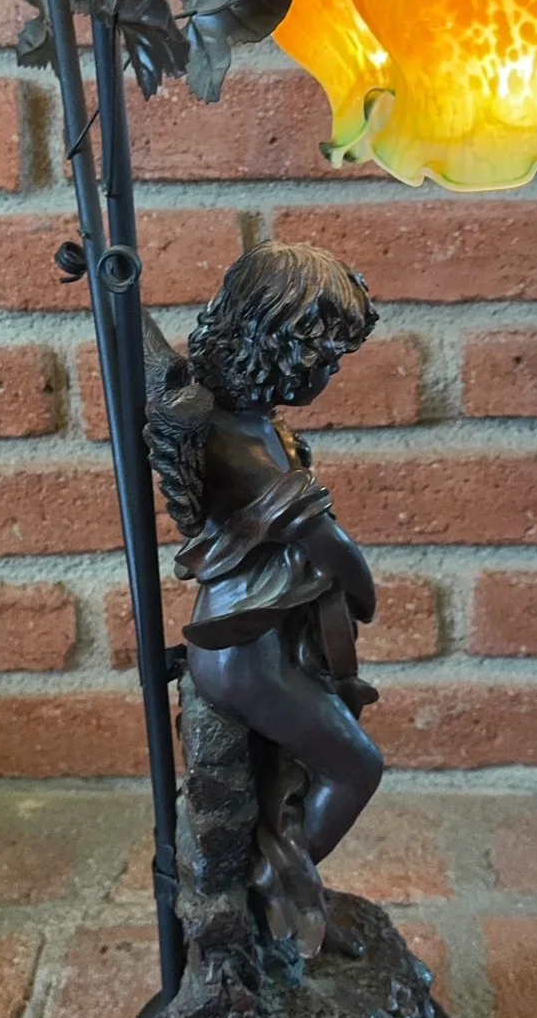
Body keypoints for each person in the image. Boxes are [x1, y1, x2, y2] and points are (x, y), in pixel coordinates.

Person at [145, 242, 384, 956]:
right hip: (245, 659)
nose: (331, 374)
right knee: (355, 767)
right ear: (275, 346)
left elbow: (144, 345)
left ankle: (286, 892)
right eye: (325, 358)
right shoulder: (237, 445)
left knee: (312, 762)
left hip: (267, 649)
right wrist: (361, 592)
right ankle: (272, 893)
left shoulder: (244, 421)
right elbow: (330, 546)